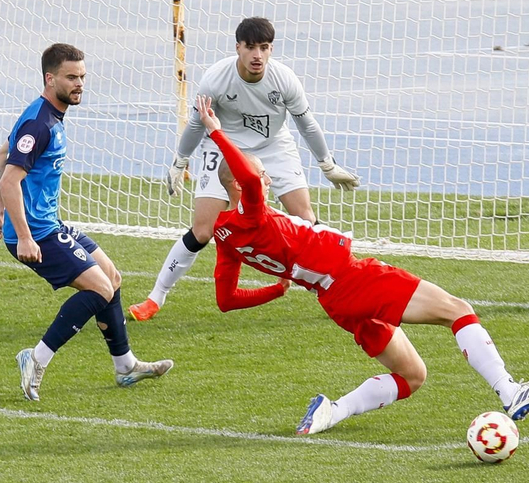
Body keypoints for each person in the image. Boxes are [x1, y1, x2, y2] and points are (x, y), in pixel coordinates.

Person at [190, 96, 529, 435]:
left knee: (412, 375)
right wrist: (217, 132)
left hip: (335, 301)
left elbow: (226, 299)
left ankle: (331, 411)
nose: (269, 179)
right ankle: (510, 391)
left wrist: (275, 289)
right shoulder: (251, 213)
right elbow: (252, 177)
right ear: (239, 184)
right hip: (353, 279)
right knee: (458, 310)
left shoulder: (225, 237)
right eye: (262, 174)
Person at [131, 16, 359, 322]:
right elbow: (199, 123)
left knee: (305, 218)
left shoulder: (285, 80)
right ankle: (155, 298)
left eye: (264, 48)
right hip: (224, 145)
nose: (257, 55)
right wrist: (180, 161)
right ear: (238, 47)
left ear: (271, 49)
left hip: (274, 146)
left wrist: (327, 165)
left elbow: (306, 124)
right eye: (250, 47)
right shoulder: (216, 79)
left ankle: (343, 287)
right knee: (203, 230)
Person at [0, 42, 173, 401]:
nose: (79, 84)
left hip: (50, 223)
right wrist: (23, 235)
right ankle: (36, 357)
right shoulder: (39, 122)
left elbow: (1, 153)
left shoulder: (49, 114)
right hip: (36, 232)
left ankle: (125, 366)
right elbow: (10, 179)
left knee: (112, 277)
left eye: (83, 77)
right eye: (71, 77)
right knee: (99, 289)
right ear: (50, 78)